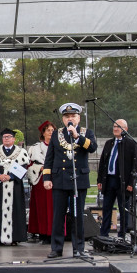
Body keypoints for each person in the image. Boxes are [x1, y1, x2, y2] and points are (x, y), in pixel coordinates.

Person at [43, 103, 97, 258]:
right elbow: (49, 158)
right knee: (58, 216)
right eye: (67, 117)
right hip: (59, 180)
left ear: (78, 118)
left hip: (78, 181)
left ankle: (78, 248)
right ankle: (56, 248)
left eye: (73, 116)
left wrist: (77, 136)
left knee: (77, 216)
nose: (70, 119)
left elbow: (92, 148)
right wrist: (47, 178)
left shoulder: (87, 132)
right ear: (63, 119)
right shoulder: (56, 134)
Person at [96, 119, 137, 239]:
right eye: (114, 126)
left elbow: (136, 165)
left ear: (125, 129)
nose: (115, 129)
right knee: (106, 207)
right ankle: (104, 234)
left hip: (123, 182)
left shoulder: (132, 144)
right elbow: (102, 163)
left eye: (118, 127)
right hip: (109, 180)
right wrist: (99, 180)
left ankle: (122, 235)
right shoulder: (109, 143)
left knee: (123, 209)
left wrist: (132, 183)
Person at [0, 128, 30, 245]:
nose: (7, 139)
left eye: (9, 137)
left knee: (15, 210)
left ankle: (15, 238)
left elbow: (24, 167)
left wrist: (11, 176)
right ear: (2, 139)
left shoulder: (21, 152)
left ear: (14, 139)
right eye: (5, 137)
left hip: (14, 186)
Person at [27, 121, 56, 244]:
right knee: (41, 207)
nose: (50, 132)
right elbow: (29, 165)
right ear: (43, 133)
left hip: (56, 180)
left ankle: (55, 232)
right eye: (48, 130)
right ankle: (43, 233)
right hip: (40, 181)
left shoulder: (60, 146)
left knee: (55, 207)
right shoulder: (35, 148)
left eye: (52, 130)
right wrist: (40, 168)